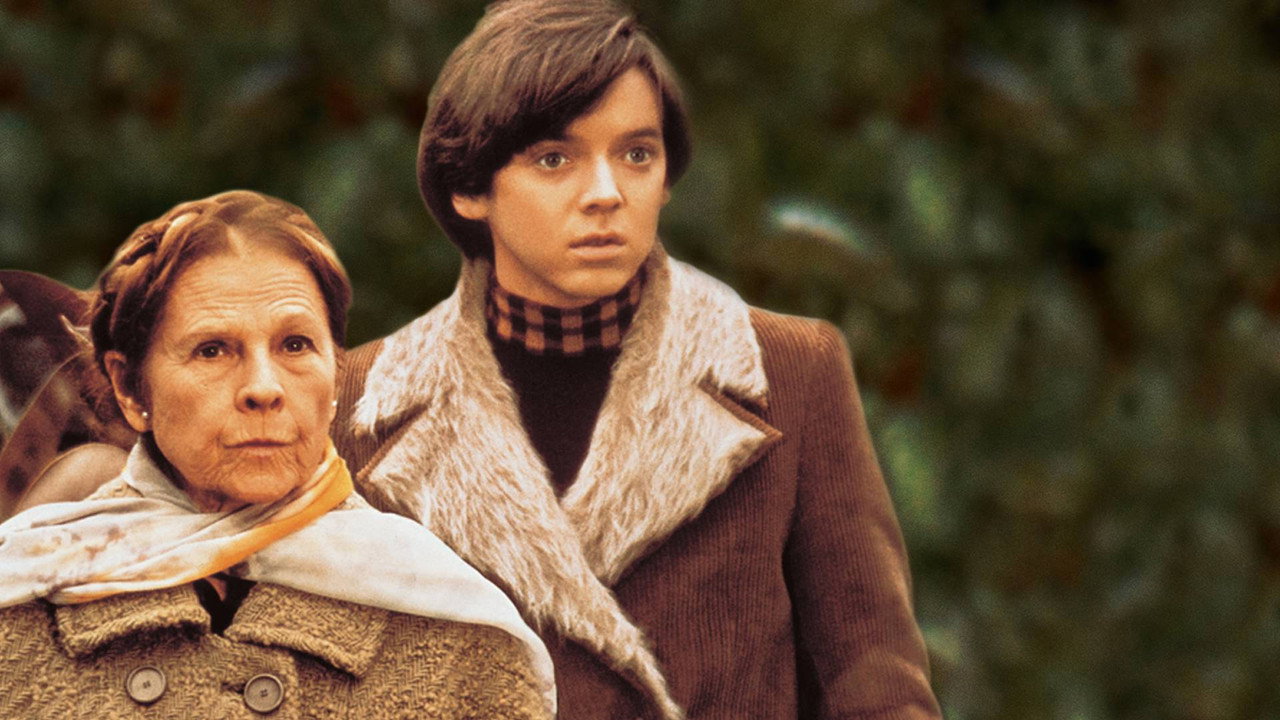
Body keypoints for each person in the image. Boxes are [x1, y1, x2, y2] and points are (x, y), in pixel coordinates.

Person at [332, 1, 943, 718]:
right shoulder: (355, 404)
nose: (606, 195)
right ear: (470, 187)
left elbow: (875, 682)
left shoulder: (790, 373)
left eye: (636, 155)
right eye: (554, 159)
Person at [0, 191, 554, 719]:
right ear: (128, 386)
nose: (264, 388)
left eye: (295, 345)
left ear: (334, 371)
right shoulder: (23, 603)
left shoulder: (458, 629)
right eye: (213, 350)